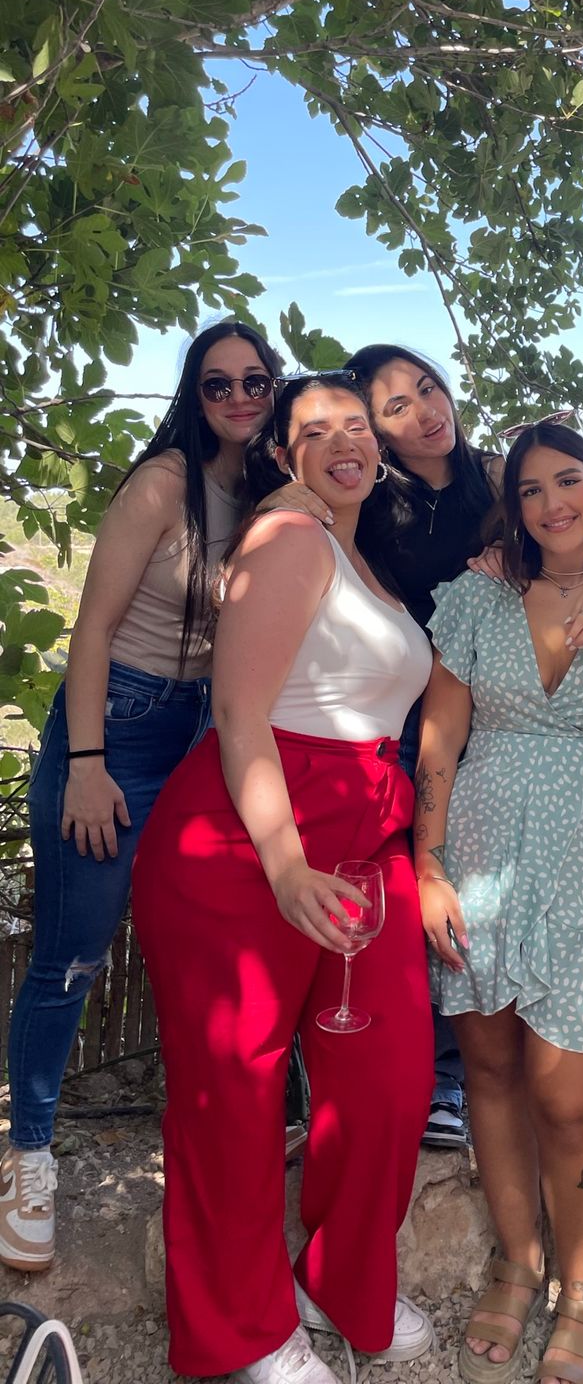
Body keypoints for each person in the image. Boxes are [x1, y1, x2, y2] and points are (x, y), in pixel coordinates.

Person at [131, 374, 435, 1384]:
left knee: (387, 1082)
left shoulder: (361, 551)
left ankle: (342, 1280)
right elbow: (239, 710)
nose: (345, 442)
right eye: (315, 431)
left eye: (358, 426)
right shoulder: (290, 537)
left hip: (365, 834)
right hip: (248, 839)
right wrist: (285, 861)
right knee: (233, 1093)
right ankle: (247, 1332)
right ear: (281, 454)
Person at [274, 345, 583, 1151]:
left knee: (497, 887)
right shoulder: (371, 500)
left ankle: (509, 1061)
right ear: (376, 432)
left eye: (428, 388)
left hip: (506, 713)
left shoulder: (500, 479)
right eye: (396, 407)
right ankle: (434, 1077)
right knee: (422, 891)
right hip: (410, 714)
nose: (425, 412)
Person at [414, 421, 583, 1384]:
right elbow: (439, 737)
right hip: (479, 858)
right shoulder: (475, 600)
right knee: (490, 1070)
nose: (551, 504)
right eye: (529, 490)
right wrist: (427, 865)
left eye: (567, 481)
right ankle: (518, 1259)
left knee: (569, 1098)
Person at [2, 321, 280, 1273]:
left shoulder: (268, 492)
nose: (238, 397)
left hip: (205, 729)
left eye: (255, 381)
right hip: (117, 725)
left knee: (208, 938)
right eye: (217, 383)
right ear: (193, 395)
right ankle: (29, 1155)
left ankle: (224, 1132)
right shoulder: (163, 484)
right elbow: (92, 630)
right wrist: (87, 762)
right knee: (73, 955)